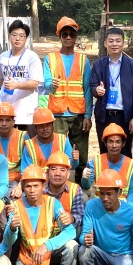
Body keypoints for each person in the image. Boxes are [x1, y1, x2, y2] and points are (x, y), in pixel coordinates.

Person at [9, 164, 77, 265]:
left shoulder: (53, 203)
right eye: (28, 186)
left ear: (43, 185)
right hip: (28, 254)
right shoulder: (16, 206)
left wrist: (47, 245)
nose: (32, 190)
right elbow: (8, 240)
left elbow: (71, 231)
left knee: (72, 246)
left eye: (36, 186)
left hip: (49, 251)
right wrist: (12, 229)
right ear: (23, 187)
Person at [78, 169, 133, 265]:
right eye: (101, 193)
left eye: (109, 194)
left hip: (123, 256)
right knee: (83, 251)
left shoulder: (132, 213)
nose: (105, 198)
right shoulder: (91, 206)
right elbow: (84, 235)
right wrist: (84, 239)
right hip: (100, 254)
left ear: (119, 192)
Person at [44, 16, 93, 183]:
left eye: (72, 34)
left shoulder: (83, 60)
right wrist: (51, 85)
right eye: (64, 34)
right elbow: (47, 86)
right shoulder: (50, 58)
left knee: (81, 153)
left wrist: (88, 116)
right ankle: (56, 185)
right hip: (57, 113)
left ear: (76, 37)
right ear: (59, 36)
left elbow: (87, 90)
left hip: (78, 113)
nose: (68, 37)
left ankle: (80, 186)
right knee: (57, 153)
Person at [90, 27, 133, 156]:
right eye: (111, 41)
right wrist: (97, 90)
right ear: (105, 43)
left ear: (123, 43)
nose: (114, 44)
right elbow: (93, 86)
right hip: (104, 115)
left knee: (125, 151)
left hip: (125, 116)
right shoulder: (98, 65)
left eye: (118, 41)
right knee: (104, 151)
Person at [0, 20, 42, 131]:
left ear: (26, 39)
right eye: (14, 35)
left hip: (26, 113)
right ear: (9, 37)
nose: (17, 38)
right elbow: (0, 77)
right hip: (6, 112)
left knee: (26, 141)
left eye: (21, 36)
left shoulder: (32, 57)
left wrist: (15, 85)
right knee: (7, 141)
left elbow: (35, 83)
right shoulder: (3, 56)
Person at [82, 124, 133, 204]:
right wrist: (85, 178)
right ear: (105, 143)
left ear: (123, 143)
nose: (114, 146)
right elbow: (86, 186)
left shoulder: (131, 164)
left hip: (122, 206)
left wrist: (129, 209)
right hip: (101, 205)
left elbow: (132, 192)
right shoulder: (96, 161)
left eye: (118, 142)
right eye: (110, 142)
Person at [21, 107, 78, 171]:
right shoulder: (29, 146)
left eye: (48, 125)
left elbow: (71, 166)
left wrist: (74, 160)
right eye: (41, 126)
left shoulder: (63, 140)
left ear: (53, 125)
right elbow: (25, 171)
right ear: (35, 128)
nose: (45, 129)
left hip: (59, 177)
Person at [44, 152, 85, 238]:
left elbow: (80, 215)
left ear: (68, 174)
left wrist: (72, 218)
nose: (57, 173)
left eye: (62, 170)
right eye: (53, 169)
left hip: (66, 234)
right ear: (47, 173)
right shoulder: (40, 190)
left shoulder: (75, 189)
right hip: (43, 234)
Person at [0, 103, 27, 197]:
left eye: (7, 120)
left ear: (13, 122)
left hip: (16, 181)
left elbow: (28, 165)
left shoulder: (23, 137)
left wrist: (20, 186)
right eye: (1, 120)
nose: (4, 124)